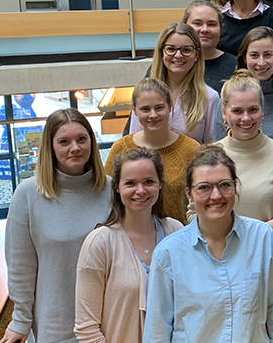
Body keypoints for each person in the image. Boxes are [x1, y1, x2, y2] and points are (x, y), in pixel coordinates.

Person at [144, 145, 273, 342]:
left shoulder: (262, 237)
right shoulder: (169, 252)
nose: (216, 195)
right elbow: (157, 330)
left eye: (224, 185)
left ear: (235, 186)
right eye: (204, 187)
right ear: (189, 193)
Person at [200, 69, 273, 333]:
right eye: (237, 111)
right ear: (224, 114)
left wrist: (271, 226)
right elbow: (194, 213)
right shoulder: (209, 156)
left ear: (263, 111)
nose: (246, 118)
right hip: (222, 260)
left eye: (252, 110)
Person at [1, 108, 111, 343]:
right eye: (64, 141)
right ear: (50, 147)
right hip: (57, 324)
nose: (75, 148)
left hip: (109, 320)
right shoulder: (28, 195)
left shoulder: (112, 190)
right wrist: (20, 319)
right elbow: (21, 266)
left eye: (82, 139)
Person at [74, 147, 183, 343]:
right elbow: (86, 330)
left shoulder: (175, 231)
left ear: (160, 184)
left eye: (148, 181)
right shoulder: (100, 243)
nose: (140, 191)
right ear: (117, 187)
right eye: (130, 183)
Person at [106, 79, 200, 224]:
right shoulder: (120, 148)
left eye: (159, 107)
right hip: (132, 237)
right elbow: (107, 195)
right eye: (145, 109)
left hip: (181, 237)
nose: (153, 115)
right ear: (134, 110)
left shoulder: (191, 149)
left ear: (170, 106)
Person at [124, 23, 219, 144]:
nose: (178, 55)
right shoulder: (144, 94)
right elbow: (133, 142)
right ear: (161, 52)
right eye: (171, 49)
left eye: (186, 50)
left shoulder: (210, 98)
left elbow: (213, 149)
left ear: (197, 55)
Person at [214, 26, 273, 146]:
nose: (261, 63)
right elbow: (219, 147)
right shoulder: (228, 96)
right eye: (254, 55)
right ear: (245, 58)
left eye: (267, 55)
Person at [181, 0, 237, 93]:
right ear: (184, 27)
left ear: (220, 29)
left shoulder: (235, 66)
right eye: (197, 23)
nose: (205, 29)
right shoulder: (171, 63)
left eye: (211, 24)